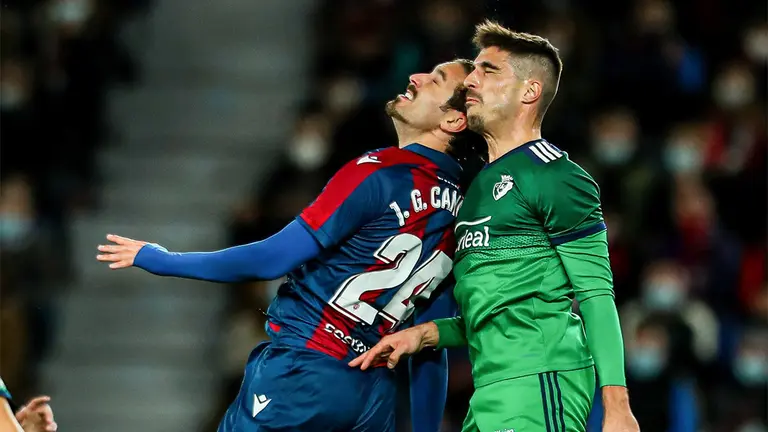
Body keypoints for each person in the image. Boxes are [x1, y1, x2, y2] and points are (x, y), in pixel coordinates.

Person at [96, 59, 485, 432]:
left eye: (435, 79)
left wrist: (163, 259)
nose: (416, 77)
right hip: (372, 398)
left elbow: (271, 259)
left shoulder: (381, 172)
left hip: (304, 370)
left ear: (453, 120)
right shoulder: (462, 217)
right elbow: (431, 342)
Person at [350, 21, 640, 432]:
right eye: (474, 70)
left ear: (529, 91)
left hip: (541, 379)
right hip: (490, 390)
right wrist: (426, 334)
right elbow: (497, 308)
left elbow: (595, 294)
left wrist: (617, 405)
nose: (471, 80)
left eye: (489, 70)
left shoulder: (556, 176)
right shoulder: (477, 187)